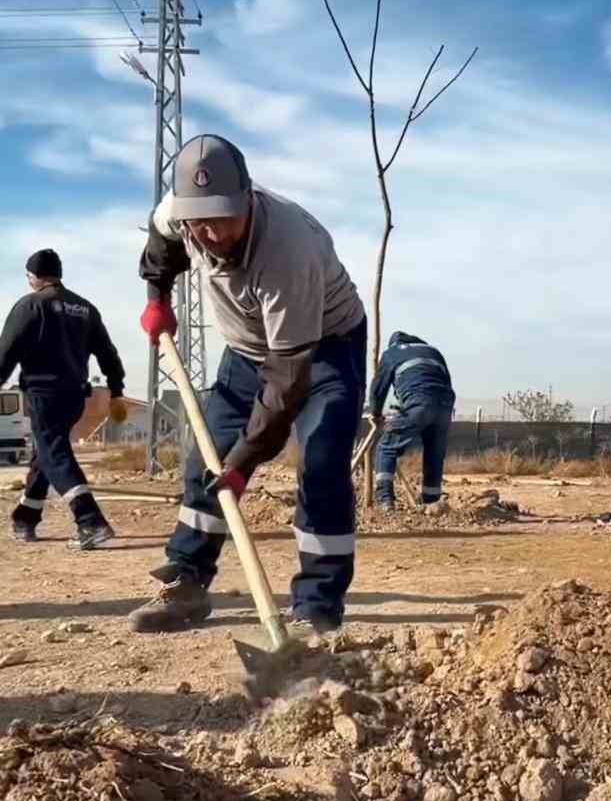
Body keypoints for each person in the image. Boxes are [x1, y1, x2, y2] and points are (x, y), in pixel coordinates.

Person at [129, 133, 366, 636]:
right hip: (247, 349)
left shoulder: (287, 253)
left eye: (223, 219)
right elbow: (161, 242)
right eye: (200, 221)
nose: (211, 233)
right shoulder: (180, 213)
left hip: (320, 349)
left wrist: (245, 462)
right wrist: (158, 297)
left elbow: (286, 380)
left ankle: (317, 609)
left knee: (321, 459)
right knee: (206, 455)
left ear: (248, 198)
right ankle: (187, 581)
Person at [0, 249, 126, 549]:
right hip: (73, 397)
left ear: (33, 276)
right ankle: (25, 519)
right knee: (47, 452)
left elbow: (7, 352)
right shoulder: (85, 308)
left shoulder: (31, 305)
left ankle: (90, 522)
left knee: (54, 454)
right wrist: (116, 389)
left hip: (44, 395)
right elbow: (107, 352)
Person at [368, 332, 455, 509]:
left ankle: (384, 500)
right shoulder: (434, 351)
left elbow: (379, 388)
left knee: (386, 447)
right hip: (445, 405)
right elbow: (446, 381)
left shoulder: (392, 353)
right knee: (434, 453)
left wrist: (376, 413)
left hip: (418, 402)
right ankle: (432, 502)